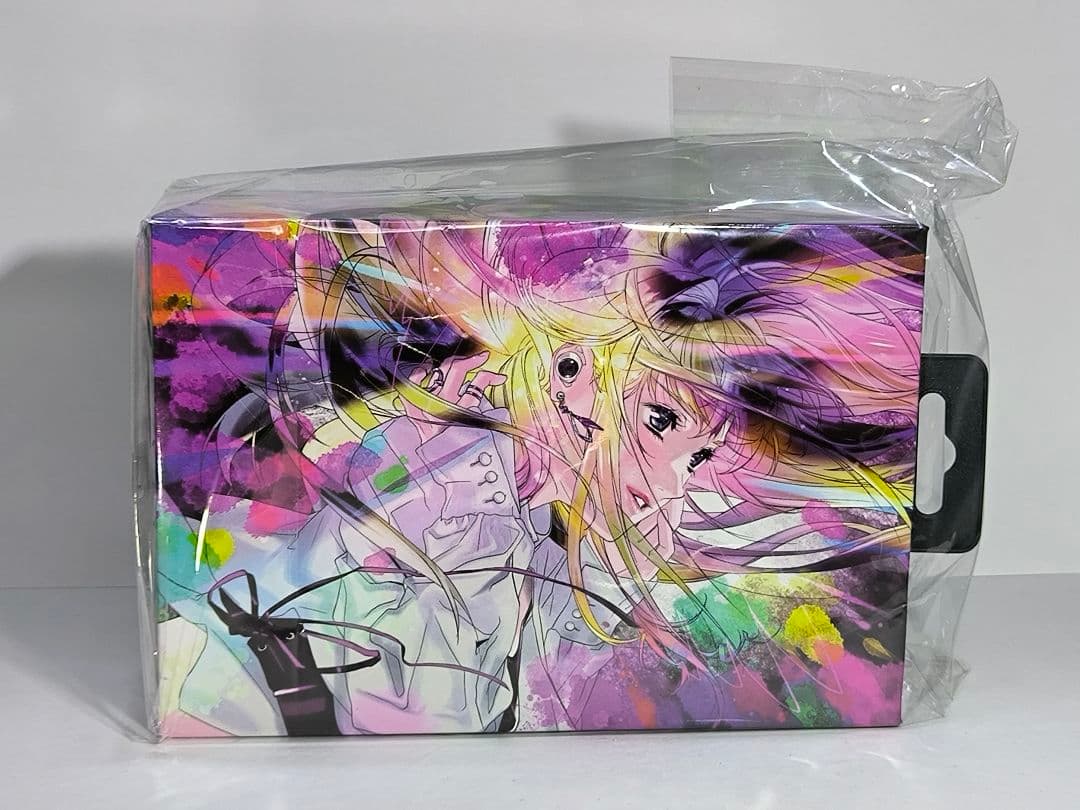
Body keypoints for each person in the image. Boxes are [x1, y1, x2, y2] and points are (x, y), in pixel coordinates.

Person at [154, 217, 923, 734]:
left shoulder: (538, 539)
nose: (670, 481)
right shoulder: (453, 468)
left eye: (695, 460)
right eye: (660, 421)